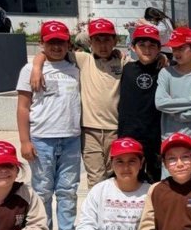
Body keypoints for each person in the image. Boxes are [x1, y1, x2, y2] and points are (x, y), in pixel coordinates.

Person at [31, 18, 128, 189]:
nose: (102, 45)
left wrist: (163, 60)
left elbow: (144, 63)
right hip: (90, 131)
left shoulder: (122, 62)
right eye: (97, 40)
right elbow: (46, 52)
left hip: (116, 129)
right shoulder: (83, 59)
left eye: (107, 39)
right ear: (90, 41)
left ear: (115, 40)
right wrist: (37, 67)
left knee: (115, 175)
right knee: (96, 178)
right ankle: (96, 214)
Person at [16, 21, 81, 230]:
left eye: (61, 42)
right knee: (42, 189)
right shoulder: (29, 69)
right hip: (42, 138)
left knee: (67, 189)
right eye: (51, 42)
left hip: (71, 138)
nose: (56, 46)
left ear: (68, 43)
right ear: (42, 43)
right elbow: (23, 107)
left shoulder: (75, 66)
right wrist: (25, 140)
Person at [155, 28, 191, 179]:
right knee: (170, 193)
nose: (176, 52)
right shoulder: (166, 73)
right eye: (174, 48)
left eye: (181, 47)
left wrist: (180, 115)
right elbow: (160, 103)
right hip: (171, 142)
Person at [118, 24, 164, 182]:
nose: (147, 49)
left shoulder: (164, 70)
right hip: (128, 136)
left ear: (159, 48)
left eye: (152, 45)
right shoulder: (125, 68)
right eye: (142, 45)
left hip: (155, 139)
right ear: (133, 47)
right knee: (130, 180)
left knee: (154, 182)